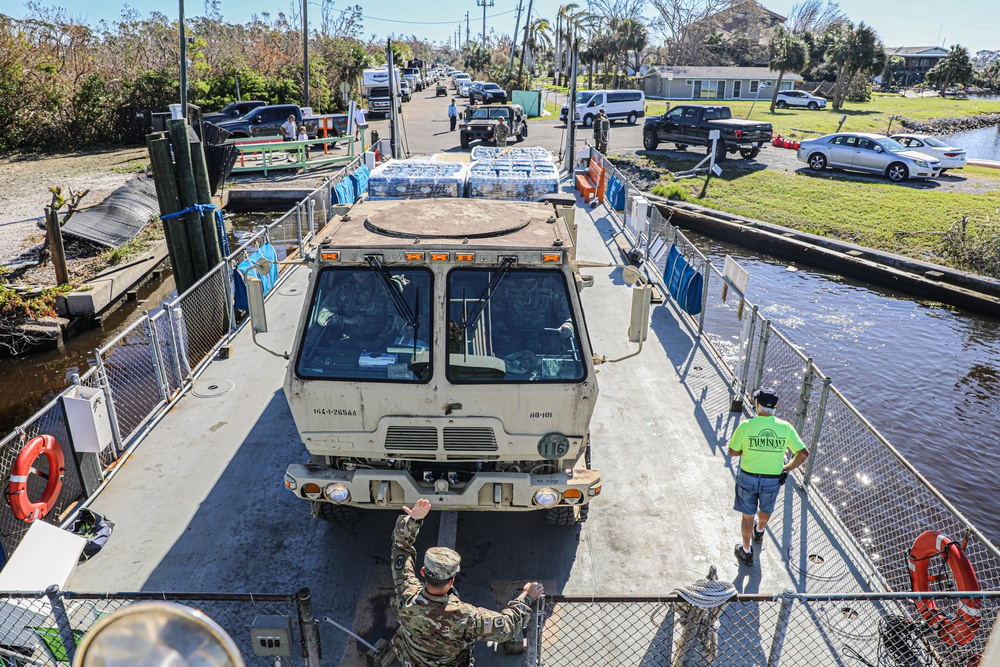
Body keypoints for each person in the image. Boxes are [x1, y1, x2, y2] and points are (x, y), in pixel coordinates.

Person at [390, 499, 543, 667]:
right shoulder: (466, 617)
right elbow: (507, 627)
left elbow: (400, 548)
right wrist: (527, 597)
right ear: (452, 580)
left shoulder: (405, 592)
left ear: (423, 572)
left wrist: (413, 521)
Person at [727, 387, 809, 567]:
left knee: (748, 516)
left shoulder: (747, 426)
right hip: (772, 479)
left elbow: (732, 452)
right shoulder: (785, 428)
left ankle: (747, 551)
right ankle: (760, 530)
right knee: (766, 509)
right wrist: (787, 469)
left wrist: (746, 450)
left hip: (748, 477)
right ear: (776, 406)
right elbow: (803, 453)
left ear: (757, 405)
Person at [315, 272, 401, 349]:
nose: (360, 273)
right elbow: (322, 317)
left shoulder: (384, 286)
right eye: (356, 270)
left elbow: (394, 318)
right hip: (350, 339)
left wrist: (378, 342)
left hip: (381, 339)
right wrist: (346, 320)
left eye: (363, 270)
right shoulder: (343, 287)